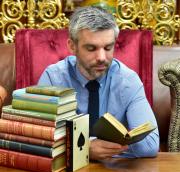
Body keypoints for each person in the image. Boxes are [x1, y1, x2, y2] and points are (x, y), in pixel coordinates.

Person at [38, 6, 159, 160]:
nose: (102, 57)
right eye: (91, 48)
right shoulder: (52, 78)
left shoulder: (128, 81)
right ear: (72, 46)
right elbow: (40, 136)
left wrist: (109, 147)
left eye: (108, 47)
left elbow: (150, 146)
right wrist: (83, 147)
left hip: (113, 171)